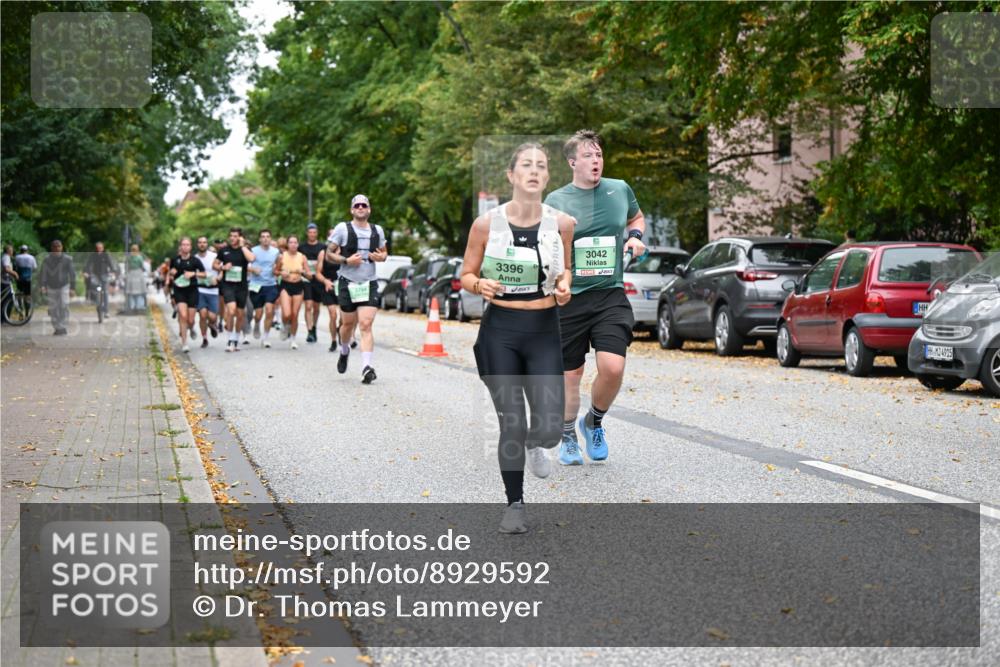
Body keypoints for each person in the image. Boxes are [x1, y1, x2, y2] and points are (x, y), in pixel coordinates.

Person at [460, 143, 574, 533]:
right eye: (526, 165)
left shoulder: (562, 223)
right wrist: (480, 284)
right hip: (501, 332)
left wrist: (564, 287)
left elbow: (565, 272)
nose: (534, 171)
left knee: (548, 425)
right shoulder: (486, 224)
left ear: (547, 177)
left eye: (541, 166)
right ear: (511, 175)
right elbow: (466, 274)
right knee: (511, 421)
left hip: (543, 330)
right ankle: (515, 505)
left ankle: (534, 443)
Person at [543, 130, 646, 466]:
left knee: (613, 367)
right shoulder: (556, 200)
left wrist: (634, 238)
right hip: (569, 299)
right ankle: (568, 433)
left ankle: (594, 422)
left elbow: (636, 217)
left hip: (609, 294)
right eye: (587, 156)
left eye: (598, 154)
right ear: (572, 162)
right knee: (570, 378)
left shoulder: (620, 190)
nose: (595, 160)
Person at [326, 194, 388, 384]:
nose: (361, 208)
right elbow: (328, 254)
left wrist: (381, 257)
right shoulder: (342, 229)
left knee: (365, 325)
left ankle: (366, 367)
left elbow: (384, 253)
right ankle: (344, 350)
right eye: (357, 205)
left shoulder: (377, 230)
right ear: (352, 210)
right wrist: (346, 260)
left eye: (364, 205)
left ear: (369, 210)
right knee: (347, 325)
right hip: (347, 282)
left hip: (368, 282)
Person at [214, 228, 255, 352]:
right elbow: (214, 264)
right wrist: (223, 267)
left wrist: (242, 246)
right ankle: (230, 339)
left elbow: (252, 259)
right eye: (231, 235)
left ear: (240, 237)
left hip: (241, 286)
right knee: (231, 311)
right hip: (228, 285)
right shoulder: (224, 250)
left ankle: (236, 338)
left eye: (235, 236)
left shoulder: (245, 250)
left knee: (240, 314)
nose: (232, 238)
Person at [274, 235, 314, 349]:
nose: (293, 244)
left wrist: (303, 272)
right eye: (291, 242)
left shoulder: (302, 257)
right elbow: (275, 271)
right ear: (287, 244)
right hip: (286, 286)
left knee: (295, 315)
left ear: (298, 244)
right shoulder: (282, 256)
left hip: (298, 286)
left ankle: (293, 339)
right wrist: (281, 273)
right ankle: (284, 325)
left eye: (295, 242)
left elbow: (310, 276)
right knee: (287, 313)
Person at [166, 237, 206, 353]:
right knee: (183, 315)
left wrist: (193, 273)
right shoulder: (175, 260)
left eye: (187, 245)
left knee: (190, 320)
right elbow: (171, 273)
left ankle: (191, 327)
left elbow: (204, 274)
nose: (185, 247)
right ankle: (184, 343)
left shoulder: (195, 261)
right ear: (180, 247)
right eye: (183, 245)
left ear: (190, 247)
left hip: (192, 291)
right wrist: (171, 273)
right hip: (179, 291)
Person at [248, 229, 280, 348]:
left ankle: (265, 337)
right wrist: (253, 269)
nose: (265, 238)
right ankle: (256, 323)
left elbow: (278, 265)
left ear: (270, 238)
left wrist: (277, 270)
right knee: (258, 314)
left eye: (267, 236)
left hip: (271, 284)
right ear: (260, 239)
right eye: (263, 236)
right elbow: (246, 266)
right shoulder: (253, 251)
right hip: (256, 285)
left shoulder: (276, 251)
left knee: (270, 310)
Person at [38, 239, 75, 335]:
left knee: (64, 305)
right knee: (53, 308)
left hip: (64, 286)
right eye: (55, 247)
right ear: (52, 248)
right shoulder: (47, 259)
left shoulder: (68, 259)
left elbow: (72, 274)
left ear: (62, 247)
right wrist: (42, 285)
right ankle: (57, 327)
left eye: (59, 246)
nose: (57, 248)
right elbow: (43, 273)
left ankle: (62, 326)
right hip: (51, 286)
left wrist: (72, 288)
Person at [315, 235, 342, 352]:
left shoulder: (345, 252)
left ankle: (341, 332)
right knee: (333, 314)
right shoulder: (324, 253)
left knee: (344, 319)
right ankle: (333, 340)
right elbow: (318, 273)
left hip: (342, 287)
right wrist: (325, 281)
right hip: (328, 286)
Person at [300, 223, 325, 343]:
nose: (312, 235)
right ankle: (309, 331)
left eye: (314, 232)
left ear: (317, 233)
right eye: (310, 232)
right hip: (306, 279)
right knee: (308, 305)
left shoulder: (322, 247)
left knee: (316, 307)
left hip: (318, 279)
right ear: (307, 233)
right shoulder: (302, 247)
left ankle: (314, 327)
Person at [195, 236, 220, 348]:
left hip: (213, 290)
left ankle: (212, 324)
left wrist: (218, 278)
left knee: (212, 316)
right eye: (200, 242)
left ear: (207, 244)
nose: (202, 244)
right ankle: (204, 338)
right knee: (202, 314)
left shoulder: (214, 256)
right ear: (197, 245)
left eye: (204, 242)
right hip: (200, 290)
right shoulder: (194, 258)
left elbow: (222, 270)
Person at [82, 241, 116, 314]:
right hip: (95, 275)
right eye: (97, 248)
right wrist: (86, 272)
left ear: (103, 248)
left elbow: (110, 264)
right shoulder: (93, 255)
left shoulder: (106, 255)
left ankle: (106, 311)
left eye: (100, 248)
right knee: (93, 288)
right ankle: (93, 300)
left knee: (105, 292)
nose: (99, 249)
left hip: (104, 275)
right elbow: (88, 264)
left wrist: (113, 271)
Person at [124, 244, 147, 313]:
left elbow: (127, 266)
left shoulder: (129, 257)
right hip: (138, 273)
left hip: (131, 274)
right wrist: (144, 270)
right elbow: (142, 266)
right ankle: (138, 306)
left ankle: (132, 306)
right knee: (139, 291)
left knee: (131, 291)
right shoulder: (139, 257)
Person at [1, 245, 17, 319]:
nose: (12, 251)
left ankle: (4, 318)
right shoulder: (6, 257)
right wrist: (14, 273)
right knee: (8, 300)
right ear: (8, 251)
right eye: (11, 250)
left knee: (4, 300)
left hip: (5, 281)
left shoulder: (5, 257)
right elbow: (6, 268)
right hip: (5, 281)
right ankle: (4, 318)